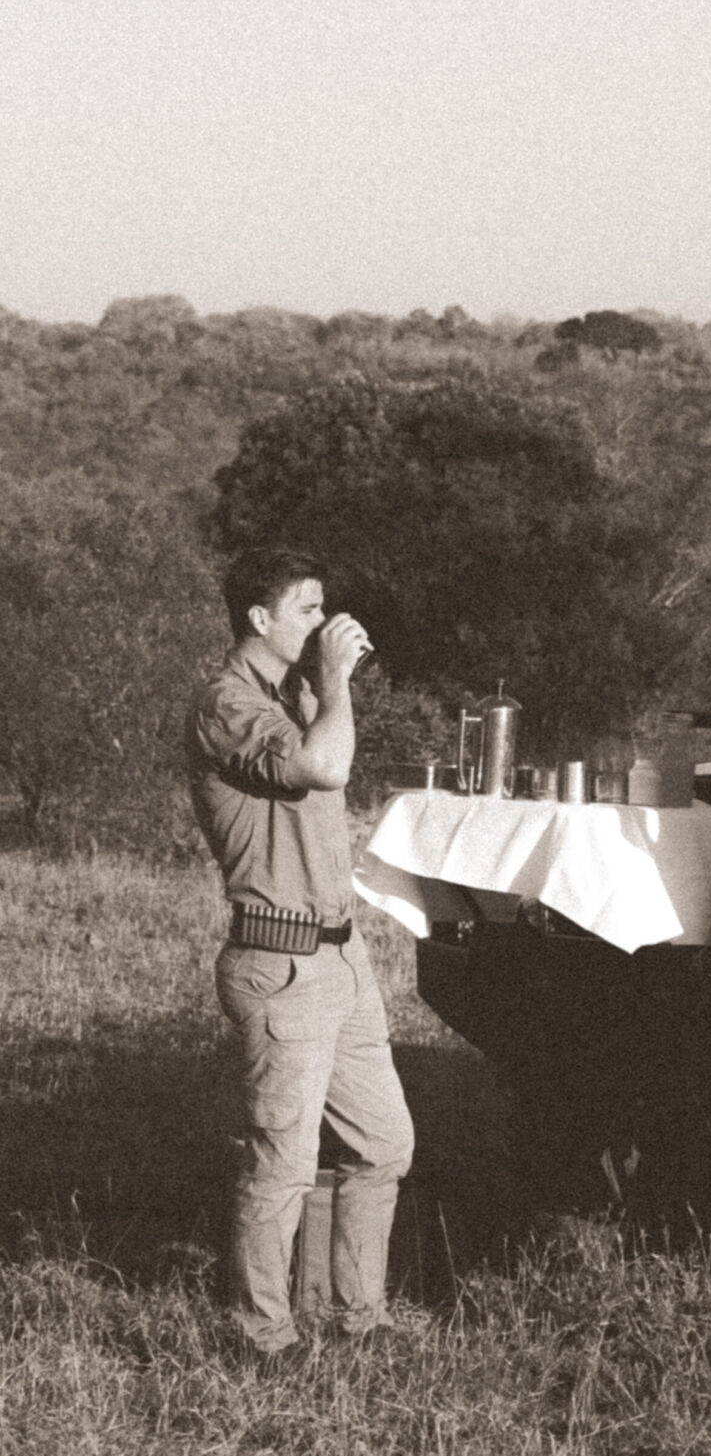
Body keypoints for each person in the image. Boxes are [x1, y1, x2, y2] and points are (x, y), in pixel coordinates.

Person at [185, 547, 414, 1365]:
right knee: (282, 1161)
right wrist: (339, 685)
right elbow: (324, 765)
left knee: (384, 1145)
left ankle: (359, 1321)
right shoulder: (225, 704)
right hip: (280, 964)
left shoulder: (289, 699)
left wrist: (324, 693)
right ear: (260, 619)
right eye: (308, 609)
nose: (323, 623)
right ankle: (262, 1338)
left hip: (341, 964)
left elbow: (327, 759)